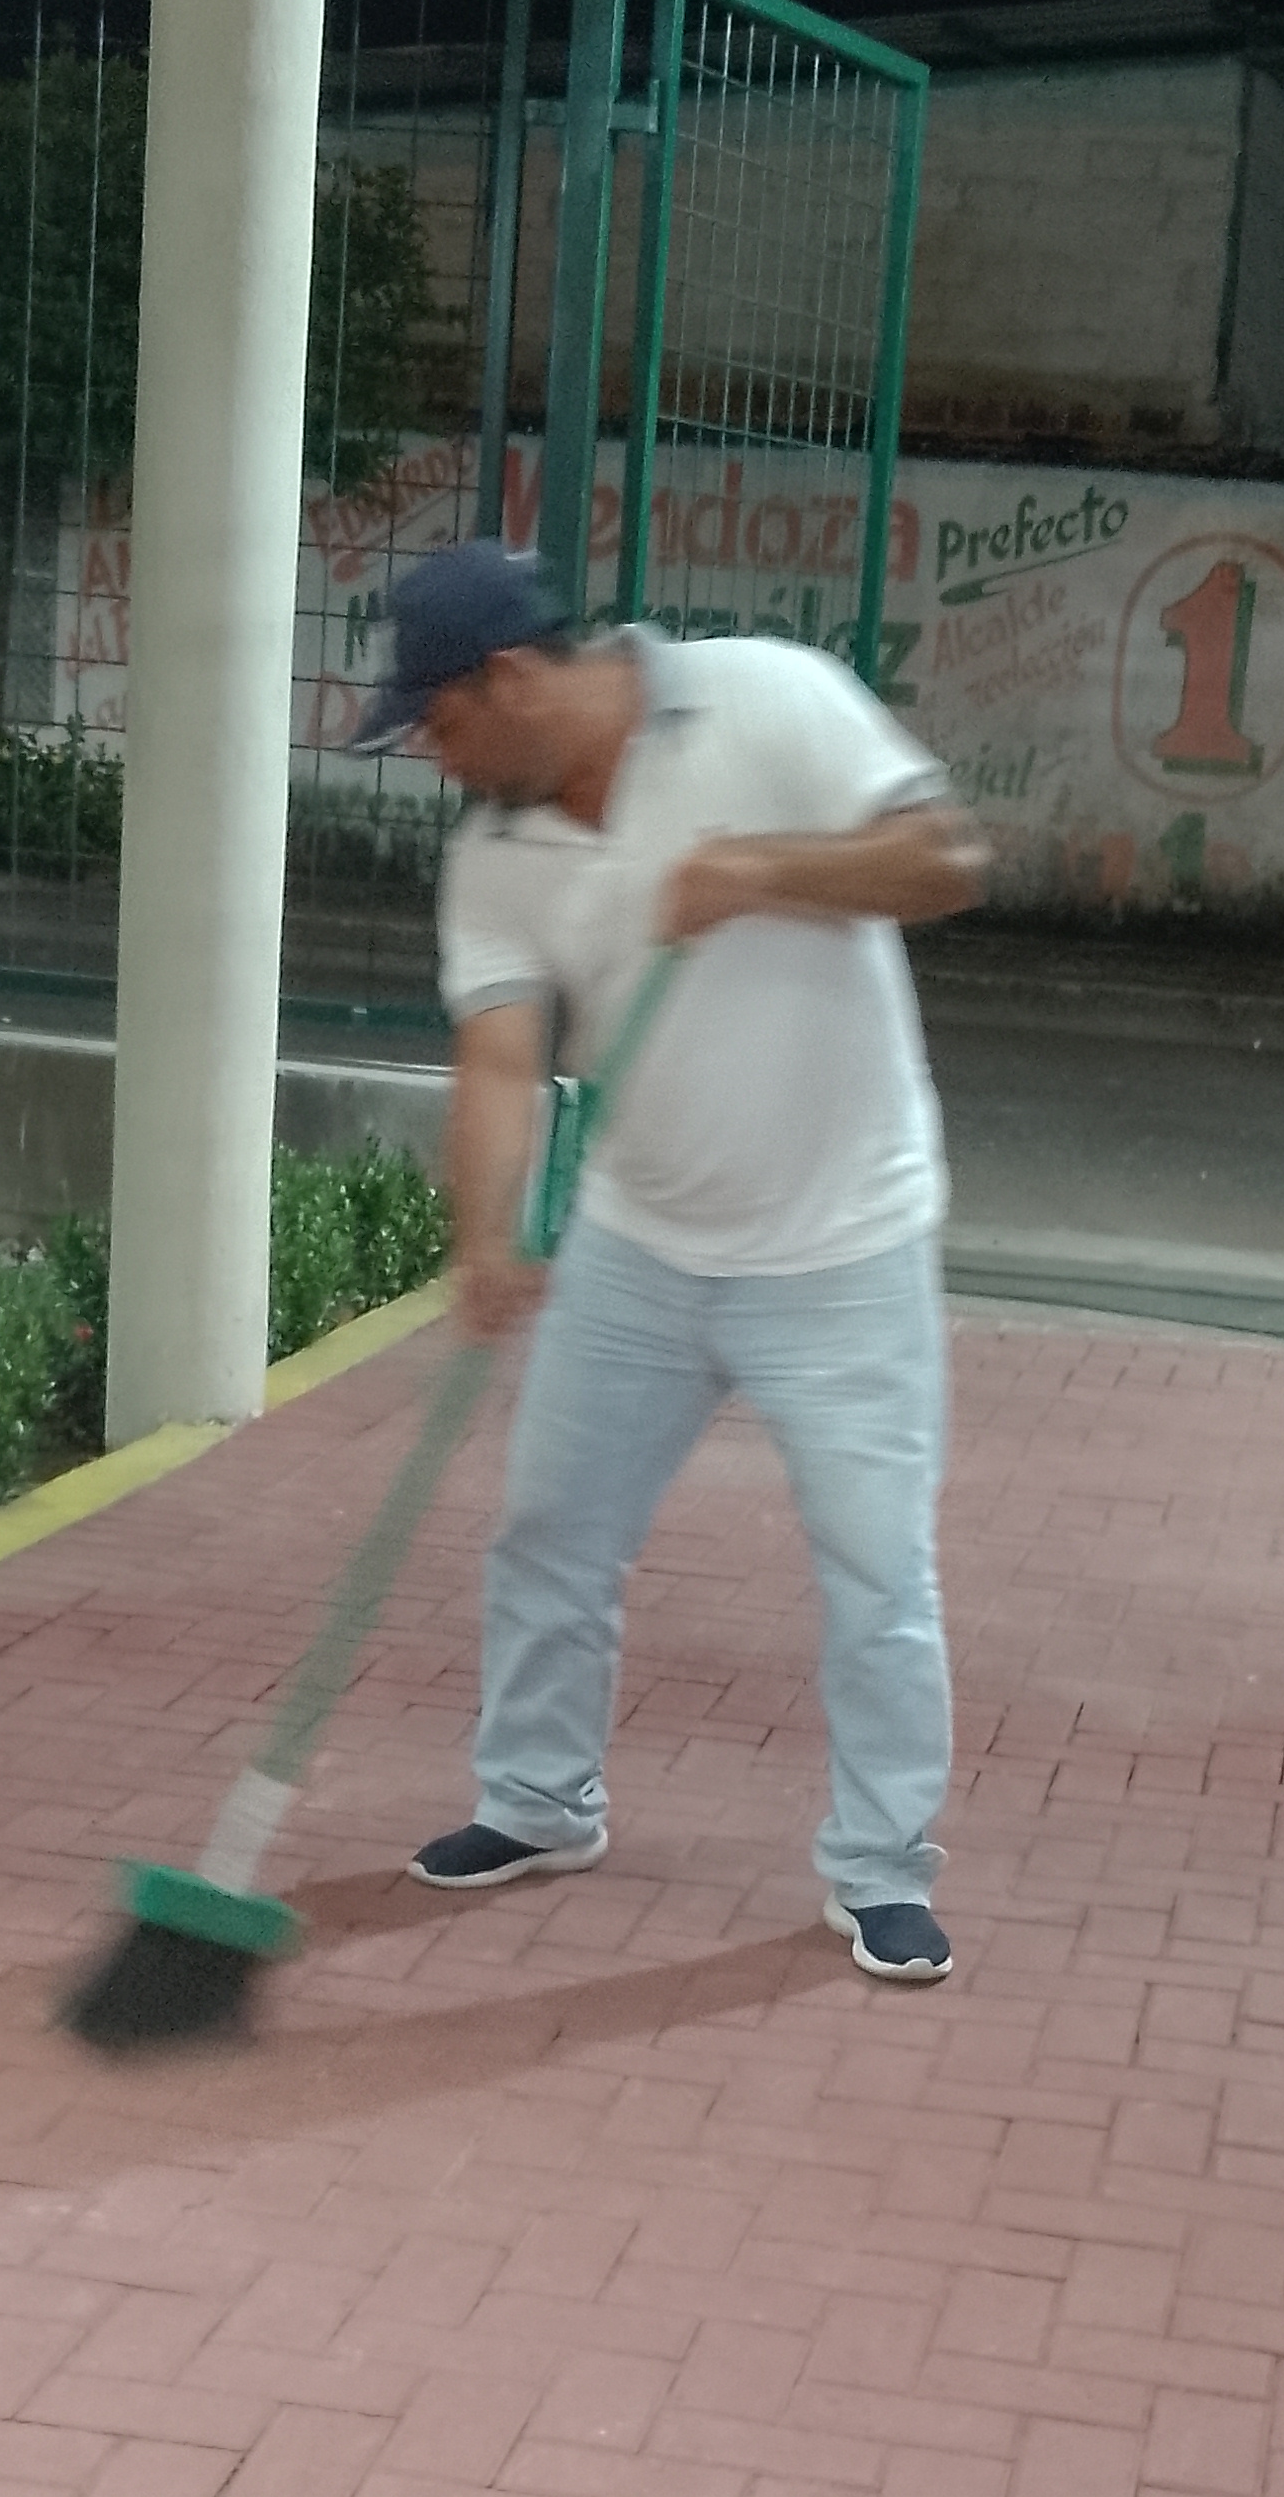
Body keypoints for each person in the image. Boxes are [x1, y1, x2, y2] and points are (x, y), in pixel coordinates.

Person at [355, 541, 991, 1981]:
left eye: (438, 724)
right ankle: (536, 1802)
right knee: (550, 1535)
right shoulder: (495, 852)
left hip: (843, 1245)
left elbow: (951, 859)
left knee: (878, 1573)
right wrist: (484, 1237)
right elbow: (500, 1056)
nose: (435, 759)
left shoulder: (770, 699)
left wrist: (765, 868)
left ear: (508, 680)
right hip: (638, 1243)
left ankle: (882, 1869)